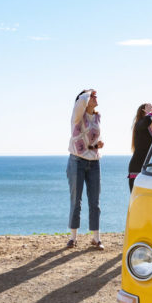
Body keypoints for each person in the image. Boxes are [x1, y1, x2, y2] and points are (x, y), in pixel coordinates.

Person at [66, 89, 104, 250]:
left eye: (95, 96)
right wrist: (87, 92)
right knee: (76, 201)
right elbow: (80, 102)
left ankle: (96, 238)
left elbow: (95, 139)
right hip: (77, 161)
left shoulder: (97, 116)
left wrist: (98, 145)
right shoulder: (77, 116)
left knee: (94, 201)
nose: (95, 97)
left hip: (94, 162)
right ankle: (73, 238)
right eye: (92, 96)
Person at [128, 103, 152, 191]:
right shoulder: (139, 126)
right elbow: (146, 122)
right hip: (137, 169)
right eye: (149, 110)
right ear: (143, 114)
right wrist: (150, 114)